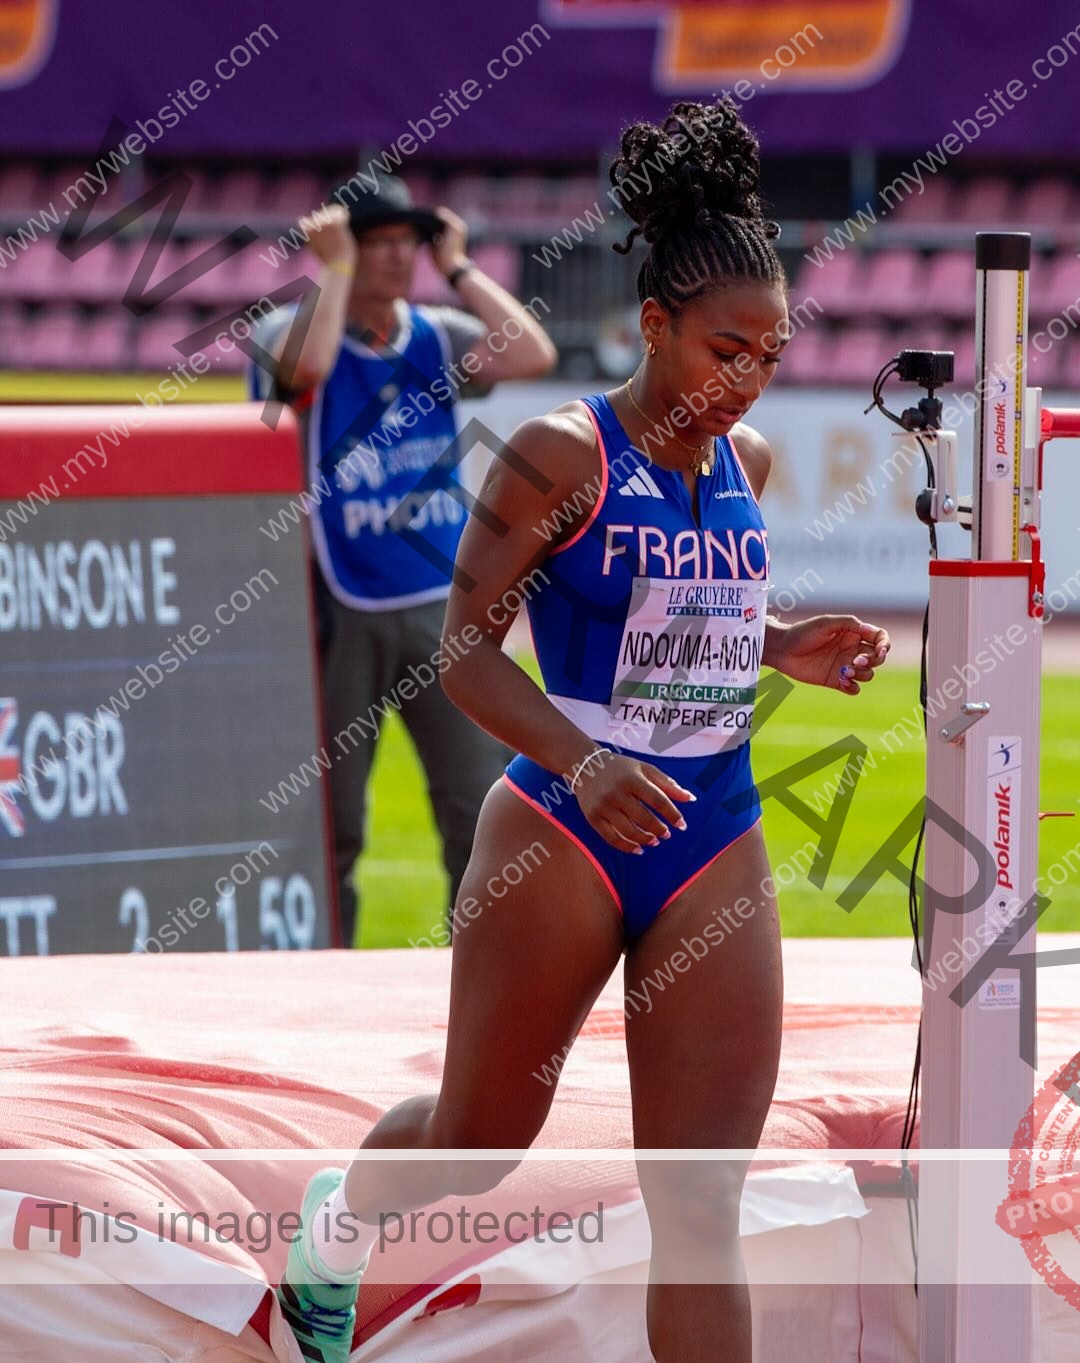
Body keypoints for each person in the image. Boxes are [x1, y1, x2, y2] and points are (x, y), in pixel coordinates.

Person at [275, 98, 891, 1362]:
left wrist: (778, 643)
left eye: (770, 356)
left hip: (712, 830)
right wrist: (586, 762)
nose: (747, 380)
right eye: (726, 349)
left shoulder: (750, 461)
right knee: (476, 1146)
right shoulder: (562, 456)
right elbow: (463, 655)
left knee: (699, 1195)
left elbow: (680, 606)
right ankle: (334, 1238)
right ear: (654, 325)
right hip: (562, 823)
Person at [250, 171, 557, 947]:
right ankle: (325, 973)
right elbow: (306, 374)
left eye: (405, 243)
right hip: (338, 601)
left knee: (475, 805)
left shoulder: (434, 332)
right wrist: (335, 269)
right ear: (345, 246)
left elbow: (533, 353)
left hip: (439, 603)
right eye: (377, 241)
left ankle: (477, 972)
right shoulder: (287, 326)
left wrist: (459, 266)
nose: (397, 257)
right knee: (334, 823)